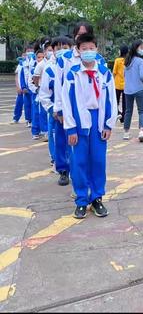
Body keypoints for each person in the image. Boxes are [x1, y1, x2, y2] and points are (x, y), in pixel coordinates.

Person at [62, 33, 117, 219]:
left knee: (98, 161)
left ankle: (96, 198)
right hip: (79, 121)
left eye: (91, 48)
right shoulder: (72, 74)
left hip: (98, 122)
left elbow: (111, 100)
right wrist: (70, 127)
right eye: (84, 49)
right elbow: (66, 102)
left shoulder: (105, 73)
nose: (88, 52)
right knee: (79, 162)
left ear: (97, 49)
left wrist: (109, 124)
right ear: (78, 51)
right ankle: (81, 201)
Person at [39, 36, 73, 185]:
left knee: (74, 141)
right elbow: (44, 94)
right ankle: (63, 170)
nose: (61, 51)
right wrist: (53, 109)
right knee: (59, 140)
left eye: (65, 47)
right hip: (57, 113)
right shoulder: (49, 69)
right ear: (52, 50)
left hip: (73, 111)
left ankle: (75, 169)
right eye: (58, 48)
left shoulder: (75, 66)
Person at [123, 40, 143, 142]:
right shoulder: (140, 61)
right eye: (142, 47)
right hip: (139, 88)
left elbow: (125, 75)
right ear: (137, 48)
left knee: (128, 111)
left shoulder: (127, 61)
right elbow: (142, 76)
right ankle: (141, 131)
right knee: (142, 110)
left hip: (128, 90)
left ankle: (126, 132)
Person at [113, 45, 128, 123]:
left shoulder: (117, 60)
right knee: (125, 102)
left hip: (117, 84)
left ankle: (117, 113)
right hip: (126, 84)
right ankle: (124, 117)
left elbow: (114, 72)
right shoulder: (128, 60)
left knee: (116, 101)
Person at [11, 54, 25, 124]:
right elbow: (16, 76)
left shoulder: (30, 64)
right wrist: (17, 87)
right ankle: (16, 118)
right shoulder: (20, 65)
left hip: (27, 89)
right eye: (24, 54)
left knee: (28, 106)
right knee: (18, 104)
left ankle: (29, 121)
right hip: (20, 89)